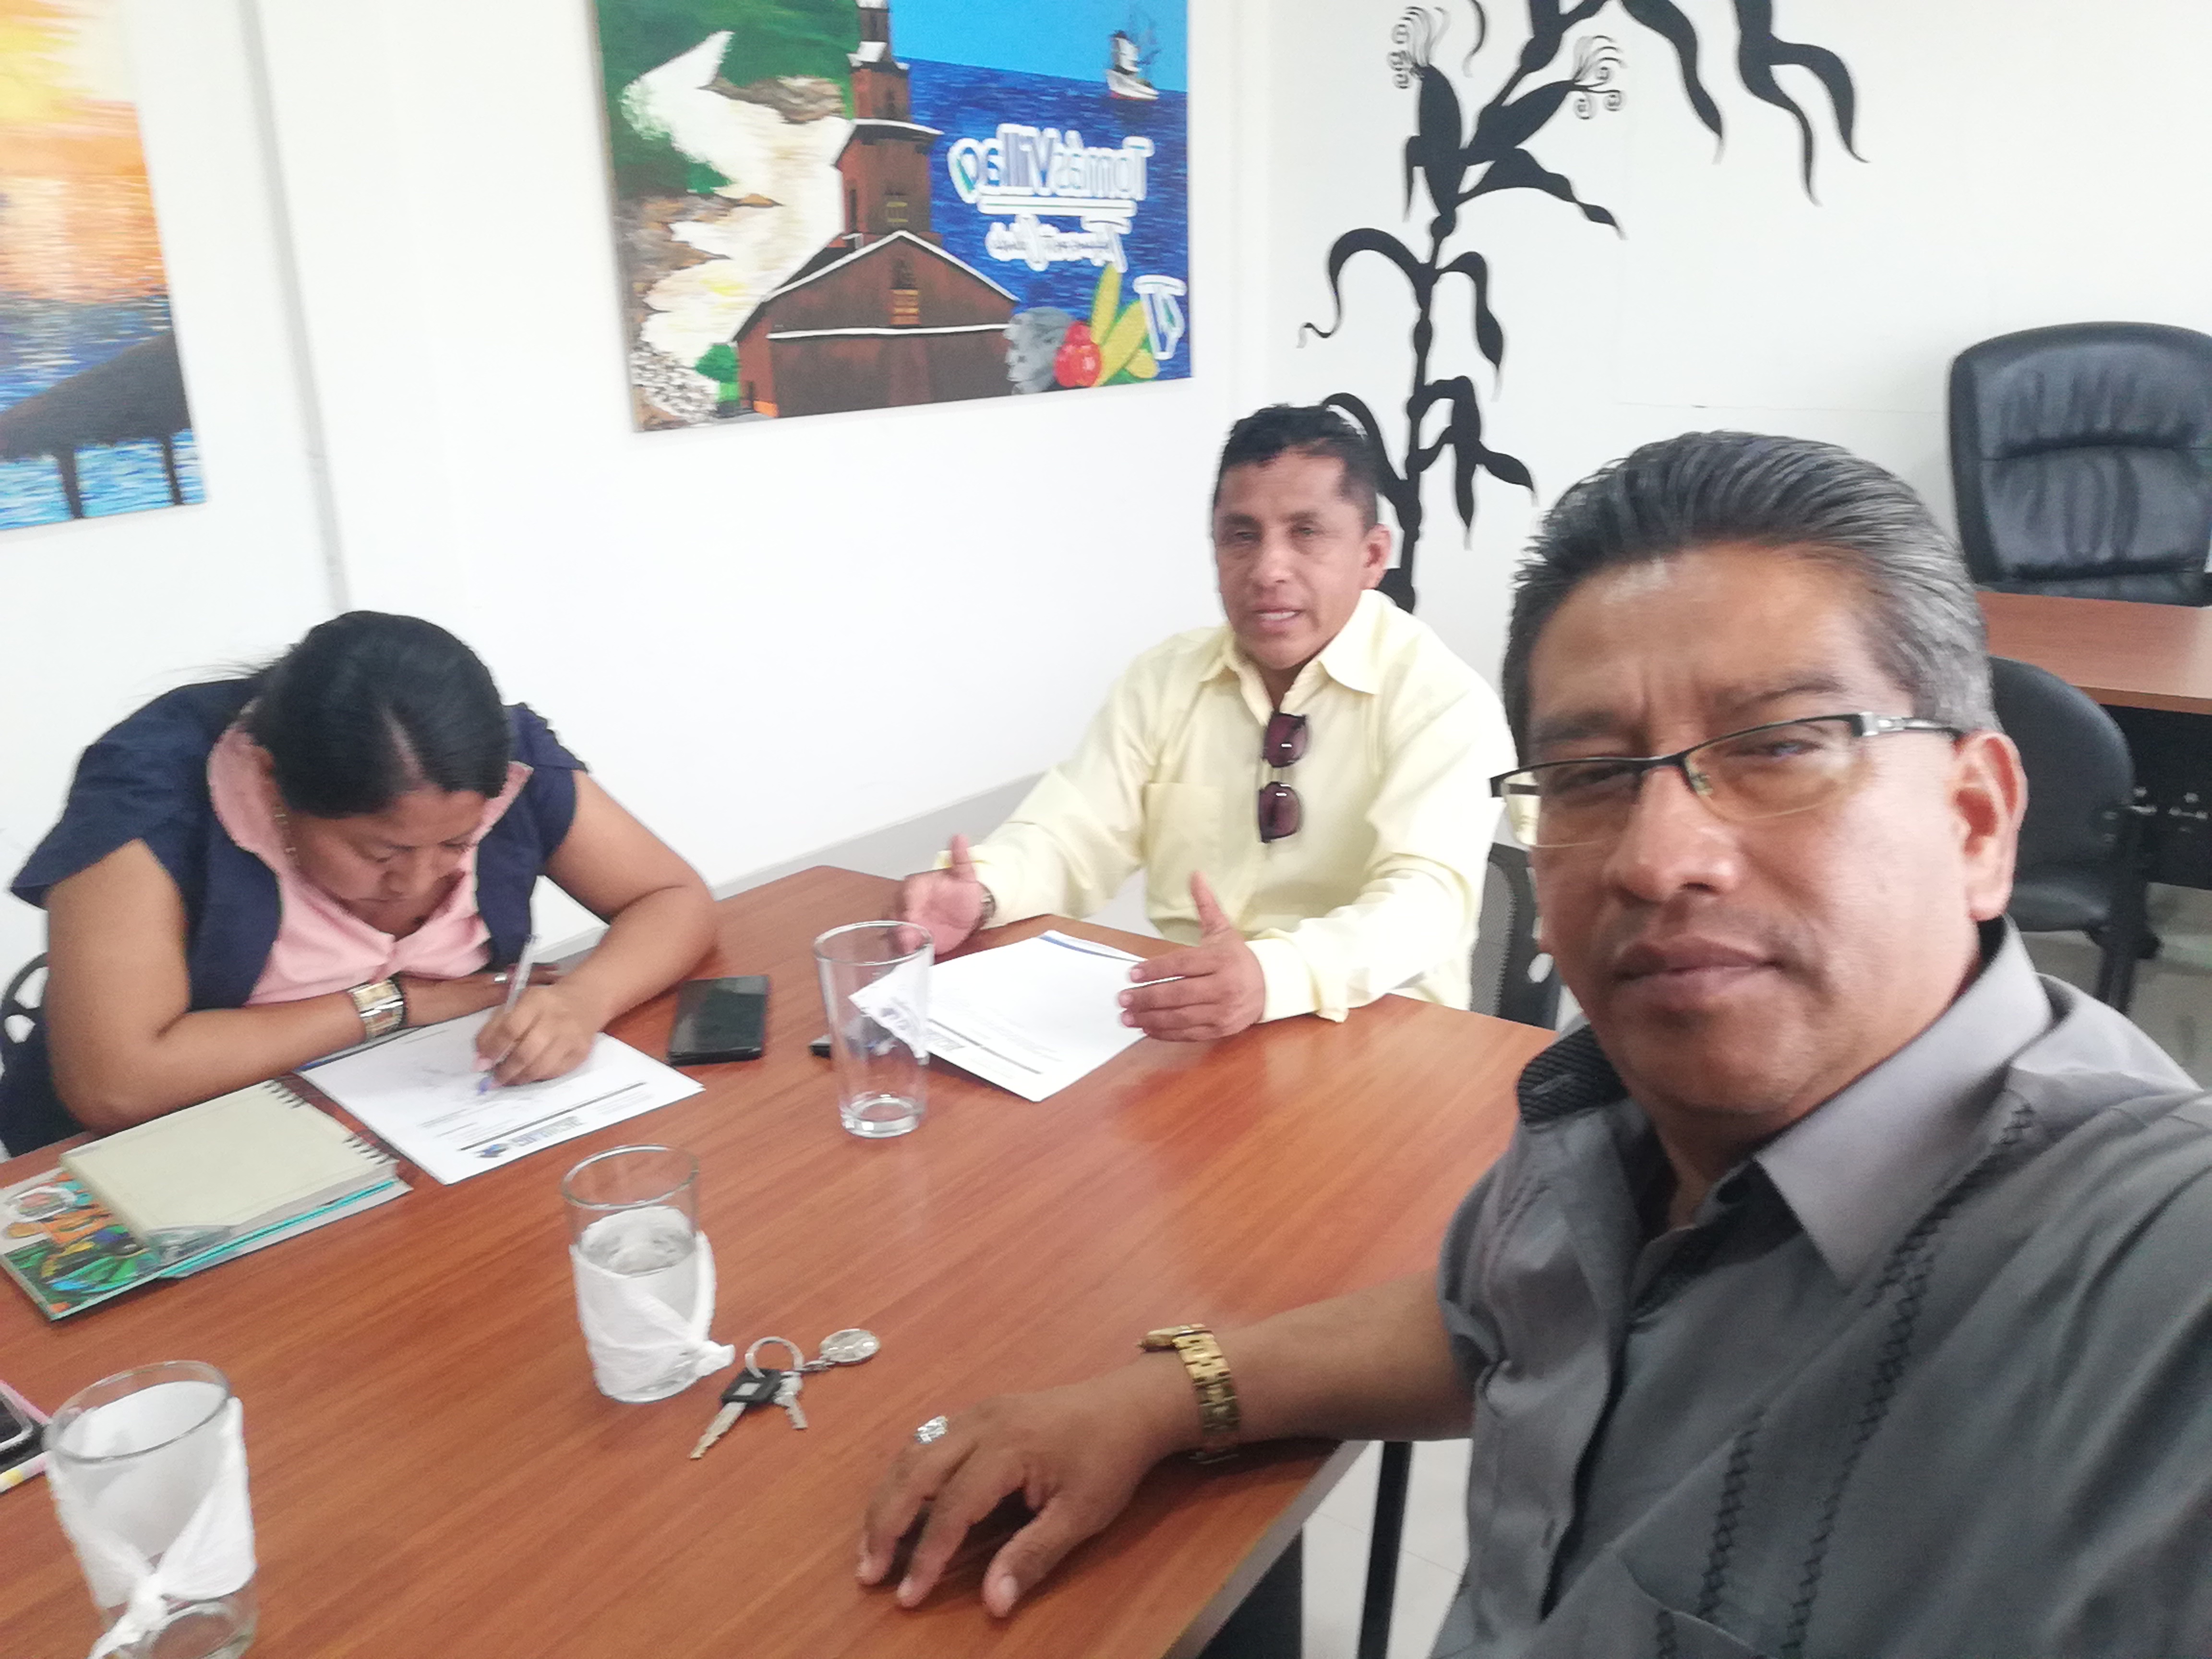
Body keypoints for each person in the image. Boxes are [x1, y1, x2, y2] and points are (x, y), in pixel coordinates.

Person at [857, 431, 2212, 1655]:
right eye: (1591, 777)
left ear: (1977, 822)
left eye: (1780, 746)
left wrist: (1271, 973)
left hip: (1363, 1065)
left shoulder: (2139, 1267)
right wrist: (1168, 1396)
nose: (1661, 857)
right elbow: (1492, 1310)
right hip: (1173, 1078)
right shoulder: (1603, 1120)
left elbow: (1423, 902)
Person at [896, 404, 1512, 1042]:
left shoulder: (1442, 702)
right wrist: (986, 891)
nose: (1268, 569)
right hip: (1196, 1028)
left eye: (1306, 532)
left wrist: (1272, 976)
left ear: (1373, 555)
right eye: (1242, 536)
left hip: (1381, 1040)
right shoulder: (1165, 680)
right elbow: (1075, 832)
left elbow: (1424, 904)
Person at [1, 611, 715, 1153]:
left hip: (431, 1127)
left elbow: (672, 898)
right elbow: (116, 1082)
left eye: (457, 843)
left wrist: (587, 999)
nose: (420, 878)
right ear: (273, 783)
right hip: (186, 1149)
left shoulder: (500, 764)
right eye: (381, 852)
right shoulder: (151, 794)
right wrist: (396, 1004)